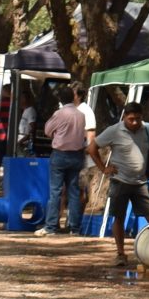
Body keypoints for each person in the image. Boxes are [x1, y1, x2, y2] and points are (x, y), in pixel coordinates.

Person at [94, 100, 149, 273]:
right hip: (120, 181)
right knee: (119, 217)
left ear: (142, 117)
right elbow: (92, 147)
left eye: (138, 118)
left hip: (141, 182)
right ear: (124, 117)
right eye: (131, 119)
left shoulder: (147, 129)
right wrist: (104, 168)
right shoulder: (114, 131)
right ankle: (121, 254)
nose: (135, 122)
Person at [44, 87, 90, 233]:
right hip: (77, 155)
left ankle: (51, 226)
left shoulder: (59, 114)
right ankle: (74, 227)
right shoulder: (81, 115)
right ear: (73, 98)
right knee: (74, 191)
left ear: (60, 99)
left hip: (60, 154)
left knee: (55, 191)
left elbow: (47, 131)